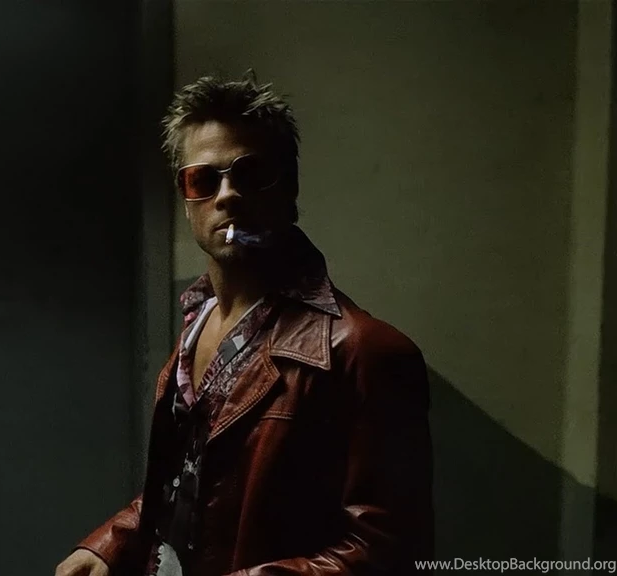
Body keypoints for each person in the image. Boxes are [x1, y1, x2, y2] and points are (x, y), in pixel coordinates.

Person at [55, 73, 434, 576]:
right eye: (203, 180)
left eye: (251, 174)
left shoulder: (364, 353)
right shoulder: (197, 322)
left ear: (290, 187)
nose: (228, 196)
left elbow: (389, 551)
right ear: (186, 198)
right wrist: (111, 543)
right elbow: (190, 480)